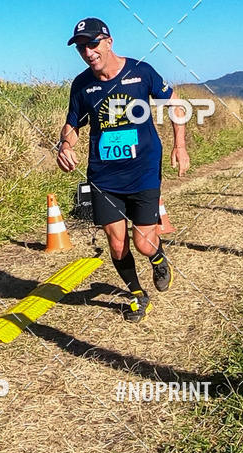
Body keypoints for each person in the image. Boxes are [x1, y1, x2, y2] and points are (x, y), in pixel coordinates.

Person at [57, 17, 190, 322]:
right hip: (104, 175)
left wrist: (179, 145)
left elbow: (177, 104)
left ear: (109, 41)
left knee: (143, 243)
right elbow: (73, 124)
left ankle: (157, 257)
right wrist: (65, 146)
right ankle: (137, 295)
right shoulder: (81, 85)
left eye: (92, 44)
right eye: (81, 48)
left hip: (143, 170)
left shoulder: (140, 72)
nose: (88, 52)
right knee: (117, 245)